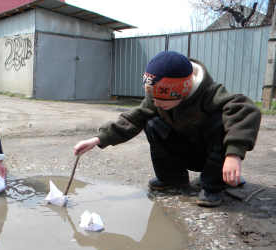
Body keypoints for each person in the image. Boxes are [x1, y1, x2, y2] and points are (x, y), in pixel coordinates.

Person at [74, 51, 261, 207]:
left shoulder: (210, 93)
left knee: (219, 121)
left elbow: (246, 109)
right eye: (152, 98)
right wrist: (98, 139)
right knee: (151, 121)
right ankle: (173, 178)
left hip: (213, 156)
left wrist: (233, 154)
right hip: (186, 151)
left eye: (161, 99)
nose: (155, 103)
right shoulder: (157, 98)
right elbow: (133, 118)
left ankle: (212, 185)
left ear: (183, 90)